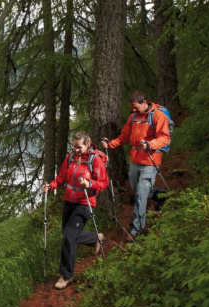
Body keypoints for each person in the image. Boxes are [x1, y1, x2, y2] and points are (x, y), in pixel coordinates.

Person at [101, 90, 170, 242]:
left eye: (136, 107)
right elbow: (125, 136)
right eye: (132, 107)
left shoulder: (158, 115)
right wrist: (111, 144)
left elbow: (165, 137)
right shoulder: (133, 116)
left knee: (140, 194)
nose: (133, 110)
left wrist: (151, 144)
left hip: (150, 161)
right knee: (137, 189)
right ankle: (162, 195)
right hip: (135, 161)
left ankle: (136, 229)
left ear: (144, 102)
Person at [43, 131, 107, 290]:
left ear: (87, 145)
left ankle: (66, 275)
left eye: (79, 147)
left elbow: (103, 183)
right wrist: (52, 186)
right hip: (69, 201)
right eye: (74, 146)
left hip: (85, 202)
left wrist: (90, 184)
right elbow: (62, 177)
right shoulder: (71, 157)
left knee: (69, 237)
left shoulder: (95, 160)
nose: (76, 150)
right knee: (67, 235)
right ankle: (95, 238)